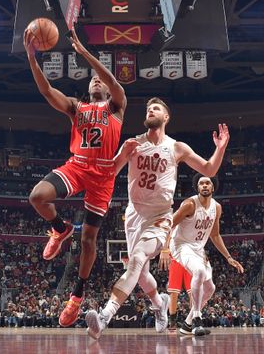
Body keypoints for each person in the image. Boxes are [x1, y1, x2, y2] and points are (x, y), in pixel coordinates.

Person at [85, 98, 230, 339]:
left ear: (166, 117)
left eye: (156, 108)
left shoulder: (177, 147)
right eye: (148, 108)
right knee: (140, 274)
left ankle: (104, 317)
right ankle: (159, 304)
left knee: (137, 259)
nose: (150, 110)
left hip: (161, 216)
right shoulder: (133, 144)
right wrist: (121, 154)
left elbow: (209, 170)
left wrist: (221, 148)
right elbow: (109, 173)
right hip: (134, 214)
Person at [24, 28, 127, 327]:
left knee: (89, 239)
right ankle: (59, 227)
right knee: (37, 197)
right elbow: (46, 91)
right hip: (78, 166)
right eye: (92, 78)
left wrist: (84, 54)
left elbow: (113, 81)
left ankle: (77, 296)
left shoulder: (117, 106)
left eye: (100, 79)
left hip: (103, 175)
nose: (95, 80)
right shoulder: (76, 106)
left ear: (106, 88)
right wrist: (32, 59)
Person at [160, 175, 244, 336]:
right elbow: (169, 224)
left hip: (198, 248)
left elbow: (215, 235)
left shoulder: (217, 208)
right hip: (180, 245)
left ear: (213, 188)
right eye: (201, 183)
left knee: (210, 288)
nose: (204, 185)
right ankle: (198, 319)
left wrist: (228, 257)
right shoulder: (189, 204)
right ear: (197, 188)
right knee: (198, 272)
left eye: (208, 183)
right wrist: (164, 249)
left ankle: (187, 324)